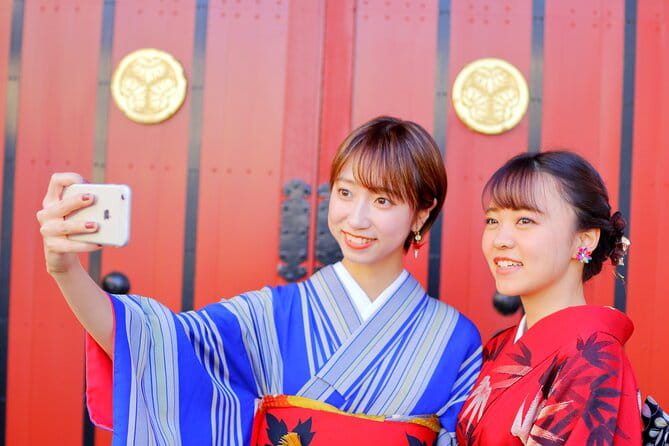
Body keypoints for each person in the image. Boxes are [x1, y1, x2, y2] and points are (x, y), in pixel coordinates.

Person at [38, 116, 482, 446]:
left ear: (421, 213)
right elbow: (153, 344)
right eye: (345, 193)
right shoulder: (270, 313)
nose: (357, 218)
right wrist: (65, 269)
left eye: (382, 200)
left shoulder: (454, 339)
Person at [455, 151, 641, 445]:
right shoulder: (500, 346)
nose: (500, 239)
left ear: (583, 240)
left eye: (525, 220)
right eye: (492, 220)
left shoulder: (593, 357)